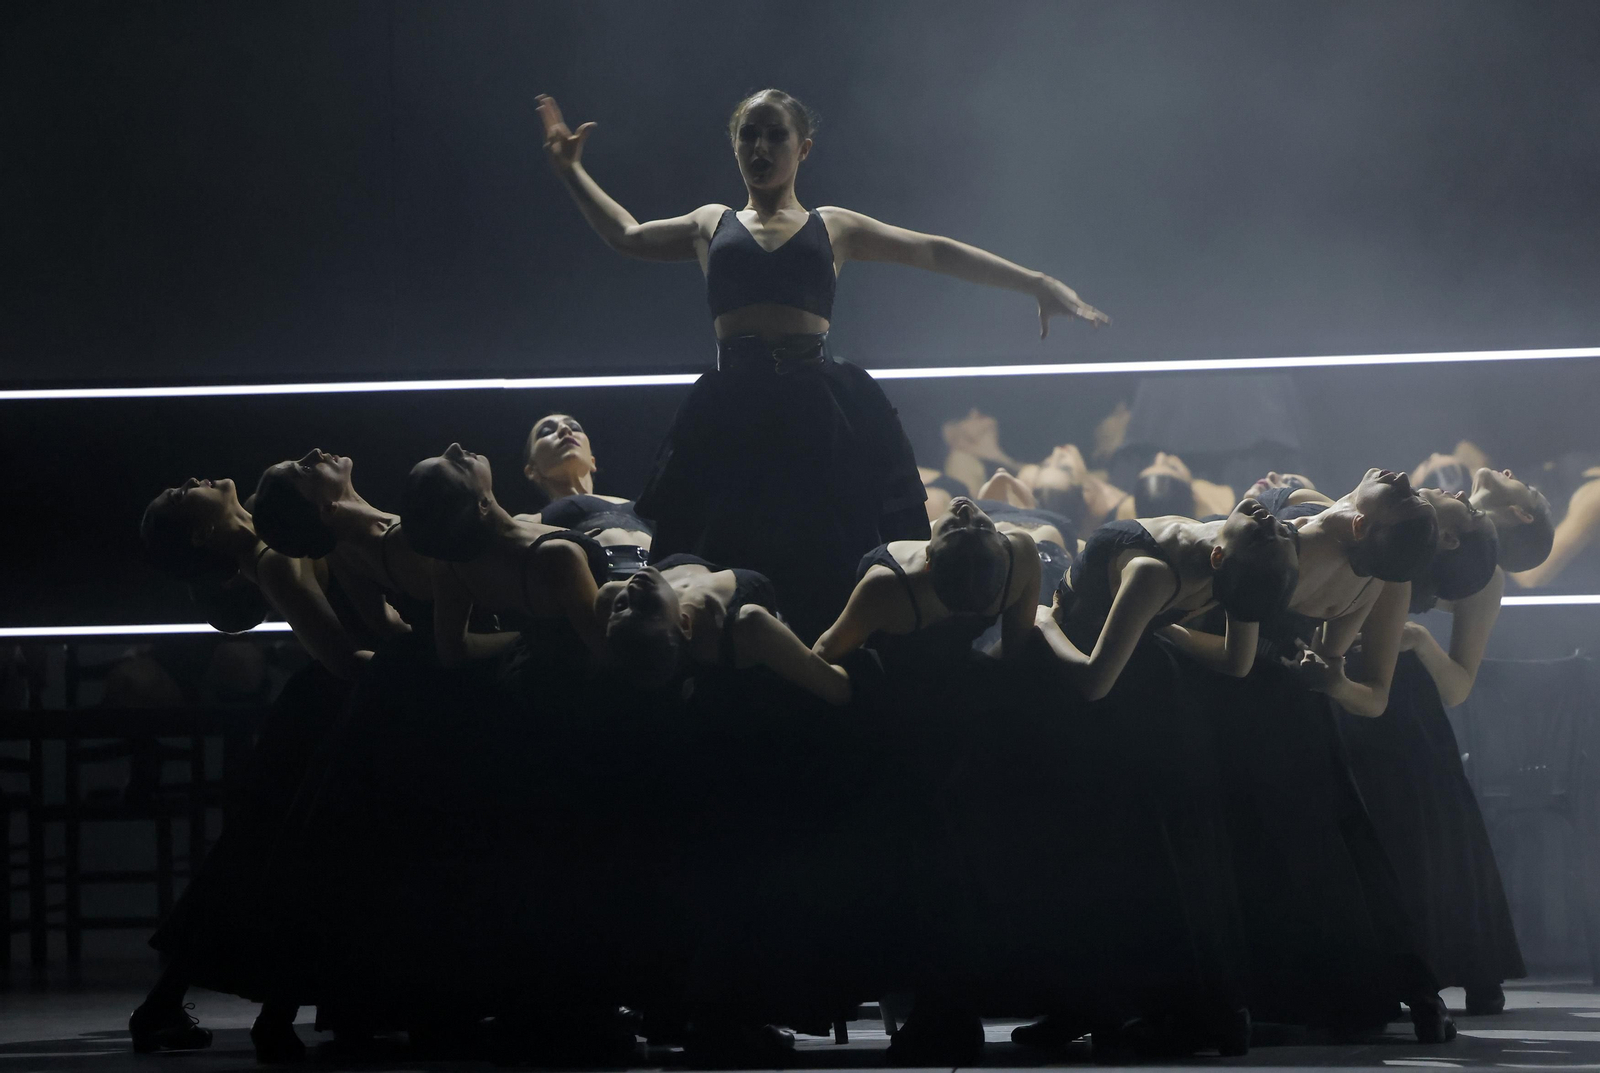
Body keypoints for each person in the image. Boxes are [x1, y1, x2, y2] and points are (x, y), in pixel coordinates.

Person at [538, 89, 1107, 642]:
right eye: (748, 136)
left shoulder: (833, 225)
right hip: (731, 412)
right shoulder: (711, 222)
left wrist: (1034, 282)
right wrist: (571, 171)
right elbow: (628, 235)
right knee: (722, 545)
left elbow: (931, 249)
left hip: (816, 412)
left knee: (826, 551)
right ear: (735, 146)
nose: (760, 148)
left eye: (775, 135)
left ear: (803, 148)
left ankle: (830, 655)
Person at [134, 476, 372, 1060]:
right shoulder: (273, 560)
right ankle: (273, 1016)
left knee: (262, 866)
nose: (190, 481)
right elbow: (342, 659)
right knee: (290, 867)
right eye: (178, 495)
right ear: (200, 534)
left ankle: (186, 1008)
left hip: (317, 715)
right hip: (326, 720)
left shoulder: (268, 546)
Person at [1340, 471, 1553, 1014]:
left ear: (1520, 515)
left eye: (1523, 487)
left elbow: (1458, 685)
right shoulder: (1424, 508)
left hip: (1401, 695)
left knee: (1422, 830)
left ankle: (1448, 965)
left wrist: (1415, 638)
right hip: (1348, 668)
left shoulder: (1485, 577)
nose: (1510, 474)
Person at [1032, 497, 1300, 699]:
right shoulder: (1241, 567)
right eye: (1283, 531)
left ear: (1218, 557)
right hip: (1121, 651)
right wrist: (1157, 624)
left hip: (1064, 643)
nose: (1269, 519)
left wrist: (1045, 622)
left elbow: (1094, 683)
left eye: (1259, 536)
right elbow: (1239, 662)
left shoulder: (1153, 575)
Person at [400, 443, 609, 669]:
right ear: (482, 504)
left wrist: (525, 639)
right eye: (457, 466)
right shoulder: (558, 559)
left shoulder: (452, 567)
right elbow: (606, 650)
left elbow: (453, 650)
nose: (455, 447)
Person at [814, 497, 1042, 669]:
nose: (965, 511)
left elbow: (824, 653)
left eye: (952, 528)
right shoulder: (1019, 558)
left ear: (928, 558)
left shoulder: (886, 590)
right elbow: (1014, 652)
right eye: (981, 527)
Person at [597, 558, 852, 704]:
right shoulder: (748, 628)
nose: (633, 591)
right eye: (646, 605)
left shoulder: (611, 595)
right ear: (684, 624)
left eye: (622, 605)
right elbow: (837, 689)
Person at [252, 448, 438, 640]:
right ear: (326, 510)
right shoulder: (402, 547)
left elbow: (384, 623)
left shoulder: (345, 554)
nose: (316, 452)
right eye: (306, 469)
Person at [521, 411, 655, 579]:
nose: (565, 430)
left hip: (666, 582)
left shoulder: (643, 507)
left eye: (575, 427)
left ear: (592, 461)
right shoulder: (526, 521)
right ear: (532, 470)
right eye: (546, 432)